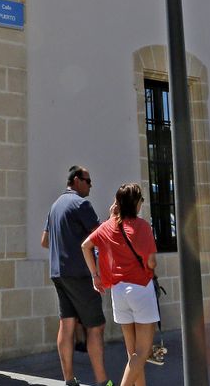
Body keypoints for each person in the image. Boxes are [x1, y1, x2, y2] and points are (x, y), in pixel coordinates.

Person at [81, 183, 159, 386]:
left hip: (118, 291)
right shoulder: (142, 226)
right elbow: (152, 262)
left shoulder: (108, 225)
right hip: (140, 288)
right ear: (135, 203)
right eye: (141, 200)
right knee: (143, 352)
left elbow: (86, 246)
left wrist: (95, 276)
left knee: (132, 353)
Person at [41, 165, 112, 386]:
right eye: (88, 181)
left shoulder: (55, 206)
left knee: (67, 324)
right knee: (96, 326)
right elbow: (100, 236)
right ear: (76, 180)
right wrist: (112, 218)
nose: (91, 185)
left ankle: (69, 379)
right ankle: (103, 382)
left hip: (58, 273)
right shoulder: (81, 204)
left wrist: (65, 247)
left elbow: (45, 241)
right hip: (80, 274)